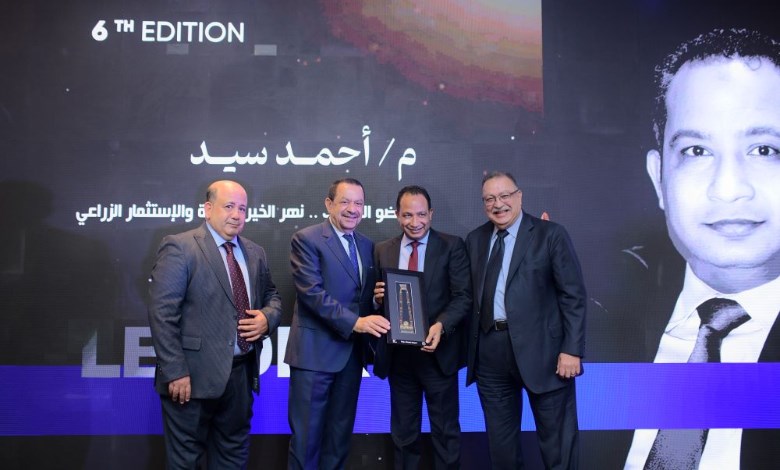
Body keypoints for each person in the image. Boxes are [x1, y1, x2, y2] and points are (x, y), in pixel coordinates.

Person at [623, 28, 780, 469]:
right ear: (658, 179)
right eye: (696, 150)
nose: (728, 188)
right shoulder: (601, 332)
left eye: (764, 149)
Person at [147, 179, 283, 468]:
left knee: (233, 459)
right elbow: (163, 314)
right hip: (190, 379)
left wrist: (267, 318)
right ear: (208, 209)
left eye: (242, 208)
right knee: (186, 462)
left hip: (241, 376)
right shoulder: (180, 247)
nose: (237, 215)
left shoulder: (255, 252)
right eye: (229, 206)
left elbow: (272, 295)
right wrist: (175, 371)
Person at [465, 171, 587, 469]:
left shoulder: (550, 234)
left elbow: (573, 296)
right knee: (502, 450)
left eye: (504, 196)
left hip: (546, 355)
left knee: (558, 448)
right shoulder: (475, 240)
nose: (498, 204)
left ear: (519, 196)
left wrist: (572, 349)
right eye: (490, 199)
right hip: (490, 356)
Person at [285, 178, 391, 470]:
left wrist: (377, 302)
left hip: (351, 358)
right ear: (329, 204)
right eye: (345, 202)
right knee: (306, 444)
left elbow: (362, 298)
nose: (352, 209)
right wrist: (356, 322)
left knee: (339, 441)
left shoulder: (367, 246)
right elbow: (311, 294)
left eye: (358, 203)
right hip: (314, 357)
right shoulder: (307, 239)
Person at [372, 185, 472, 469]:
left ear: (431, 214)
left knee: (446, 434)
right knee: (403, 436)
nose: (415, 222)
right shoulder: (382, 250)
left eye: (421, 214)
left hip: (438, 356)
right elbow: (374, 301)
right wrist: (377, 299)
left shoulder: (452, 246)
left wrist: (441, 325)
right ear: (396, 215)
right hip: (399, 359)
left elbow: (463, 297)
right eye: (407, 215)